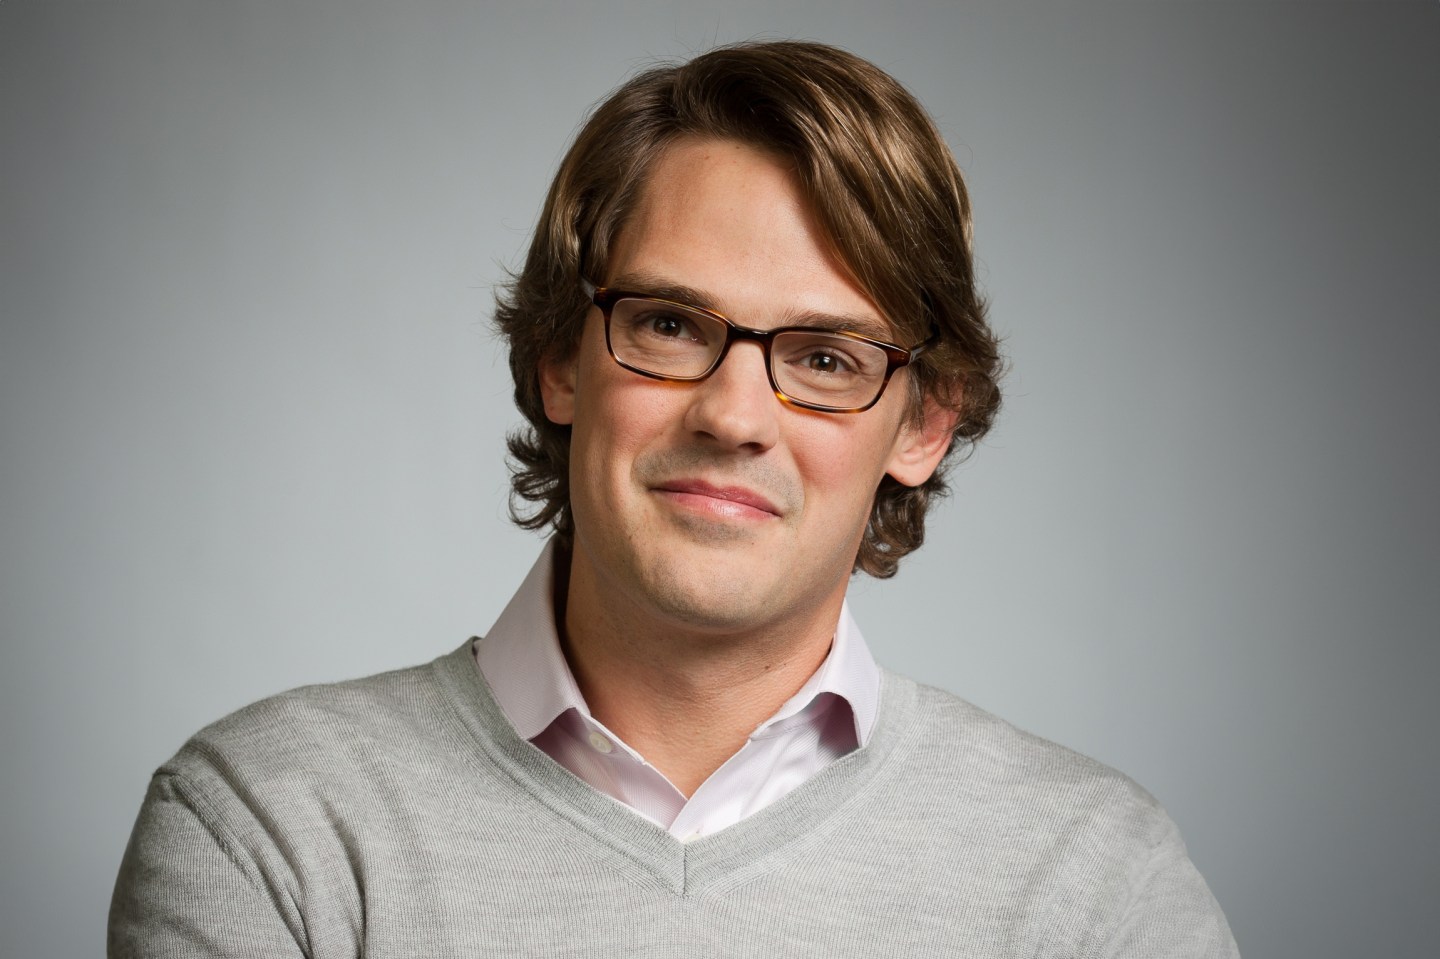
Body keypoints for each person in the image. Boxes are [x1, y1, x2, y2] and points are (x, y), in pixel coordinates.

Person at [109, 41, 1238, 957]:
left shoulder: (1093, 876)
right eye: (669, 325)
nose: (734, 414)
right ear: (561, 355)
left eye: (828, 357)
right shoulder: (271, 825)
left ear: (925, 422)